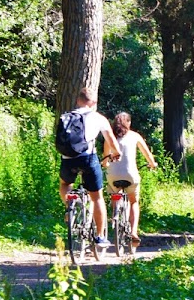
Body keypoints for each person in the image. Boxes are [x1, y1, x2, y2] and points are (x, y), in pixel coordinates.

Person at [57, 88, 120, 246]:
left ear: (78, 100)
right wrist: (117, 153)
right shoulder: (99, 118)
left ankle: (70, 205)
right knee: (97, 197)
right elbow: (111, 141)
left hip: (68, 159)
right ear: (94, 103)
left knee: (65, 184)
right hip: (88, 159)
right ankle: (100, 236)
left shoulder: (66, 117)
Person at [105, 112, 158, 247]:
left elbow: (105, 160)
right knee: (133, 201)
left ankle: (116, 215)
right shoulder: (135, 136)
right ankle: (133, 232)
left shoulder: (109, 138)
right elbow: (148, 155)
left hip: (113, 176)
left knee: (114, 194)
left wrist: (106, 164)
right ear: (128, 123)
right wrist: (152, 164)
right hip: (131, 175)